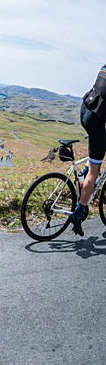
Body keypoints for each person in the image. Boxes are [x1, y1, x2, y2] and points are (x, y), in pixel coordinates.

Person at [71, 64, 106, 236]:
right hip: (95, 119)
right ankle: (78, 213)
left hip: (85, 108)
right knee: (95, 169)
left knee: (95, 152)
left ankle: (82, 175)